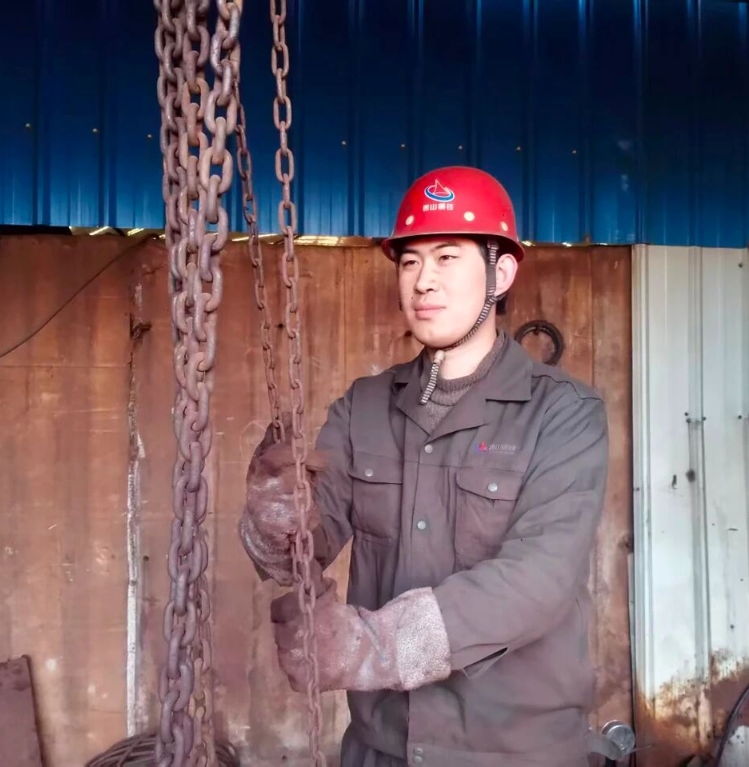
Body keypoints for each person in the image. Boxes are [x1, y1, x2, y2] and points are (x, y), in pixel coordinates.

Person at [239, 166, 609, 766]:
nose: (423, 281)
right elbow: (302, 552)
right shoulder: (363, 407)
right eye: (410, 262)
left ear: (501, 273)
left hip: (512, 754)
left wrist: (372, 647)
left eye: (447, 257)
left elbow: (539, 577)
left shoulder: (563, 414)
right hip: (382, 747)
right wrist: (274, 516)